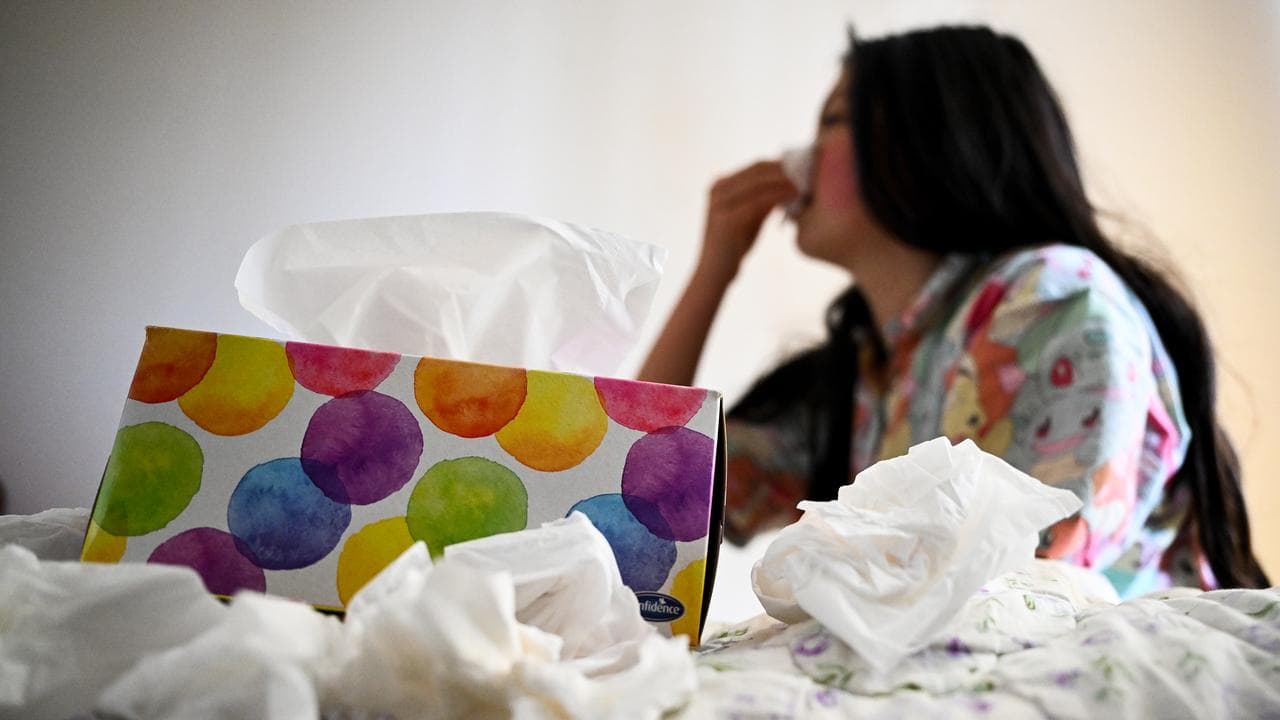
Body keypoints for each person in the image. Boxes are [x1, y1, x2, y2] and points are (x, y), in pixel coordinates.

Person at [638, 25, 1269, 598]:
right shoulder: (860, 380)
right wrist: (713, 269)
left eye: (833, 120)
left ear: (927, 141)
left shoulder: (1052, 303)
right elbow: (642, 490)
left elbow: (1031, 587)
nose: (796, 159)